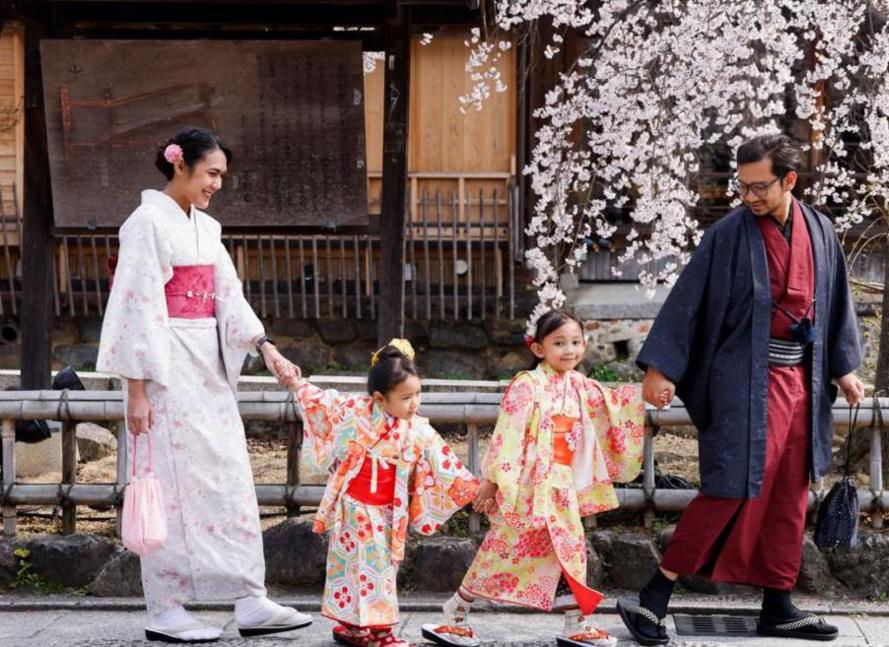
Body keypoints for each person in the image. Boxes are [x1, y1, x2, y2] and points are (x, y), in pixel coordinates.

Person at [616, 134, 866, 644]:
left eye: (758, 187)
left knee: (790, 492)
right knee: (730, 486)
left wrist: (844, 368)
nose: (748, 196)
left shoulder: (821, 231)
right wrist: (661, 367)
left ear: (789, 180)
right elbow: (690, 300)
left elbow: (835, 303)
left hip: (803, 380)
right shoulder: (728, 235)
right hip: (743, 381)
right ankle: (652, 598)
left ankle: (778, 604)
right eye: (742, 185)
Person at [97, 127, 312, 643]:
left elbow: (228, 297)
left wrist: (266, 347)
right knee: (169, 483)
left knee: (229, 475)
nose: (217, 183)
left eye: (221, 175)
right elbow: (137, 306)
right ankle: (165, 606)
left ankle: (248, 598)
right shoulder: (146, 223)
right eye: (211, 173)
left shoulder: (207, 230)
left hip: (209, 367)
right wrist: (137, 391)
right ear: (180, 165)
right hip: (166, 368)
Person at [423, 310, 646, 647]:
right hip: (529, 487)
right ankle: (456, 611)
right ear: (539, 349)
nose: (569, 350)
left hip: (562, 485)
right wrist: (494, 480)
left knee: (572, 552)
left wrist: (647, 394)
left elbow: (614, 405)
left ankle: (577, 623)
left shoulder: (581, 386)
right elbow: (508, 434)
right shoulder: (527, 385)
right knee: (502, 551)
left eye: (575, 342)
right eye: (559, 343)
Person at [288, 339, 479, 647]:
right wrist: (298, 384)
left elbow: (445, 464)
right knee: (357, 569)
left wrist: (475, 490)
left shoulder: (417, 429)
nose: (414, 403)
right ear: (379, 398)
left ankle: (359, 628)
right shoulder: (355, 413)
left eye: (417, 394)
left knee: (377, 570)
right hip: (354, 507)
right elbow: (321, 402)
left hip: (387, 511)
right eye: (406, 397)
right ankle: (376, 633)